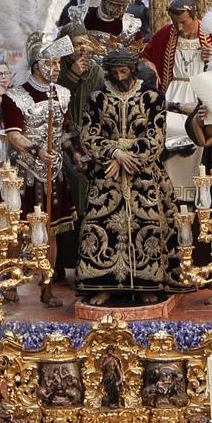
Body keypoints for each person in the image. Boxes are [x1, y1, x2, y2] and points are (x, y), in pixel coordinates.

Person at [75, 49, 178, 304]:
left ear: (132, 69)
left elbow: (156, 137)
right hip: (107, 173)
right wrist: (114, 154)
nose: (120, 76)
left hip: (142, 172)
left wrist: (128, 155)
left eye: (124, 71)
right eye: (115, 71)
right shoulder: (96, 98)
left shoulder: (153, 97)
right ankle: (103, 284)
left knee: (149, 225)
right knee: (102, 227)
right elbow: (89, 135)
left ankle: (149, 283)